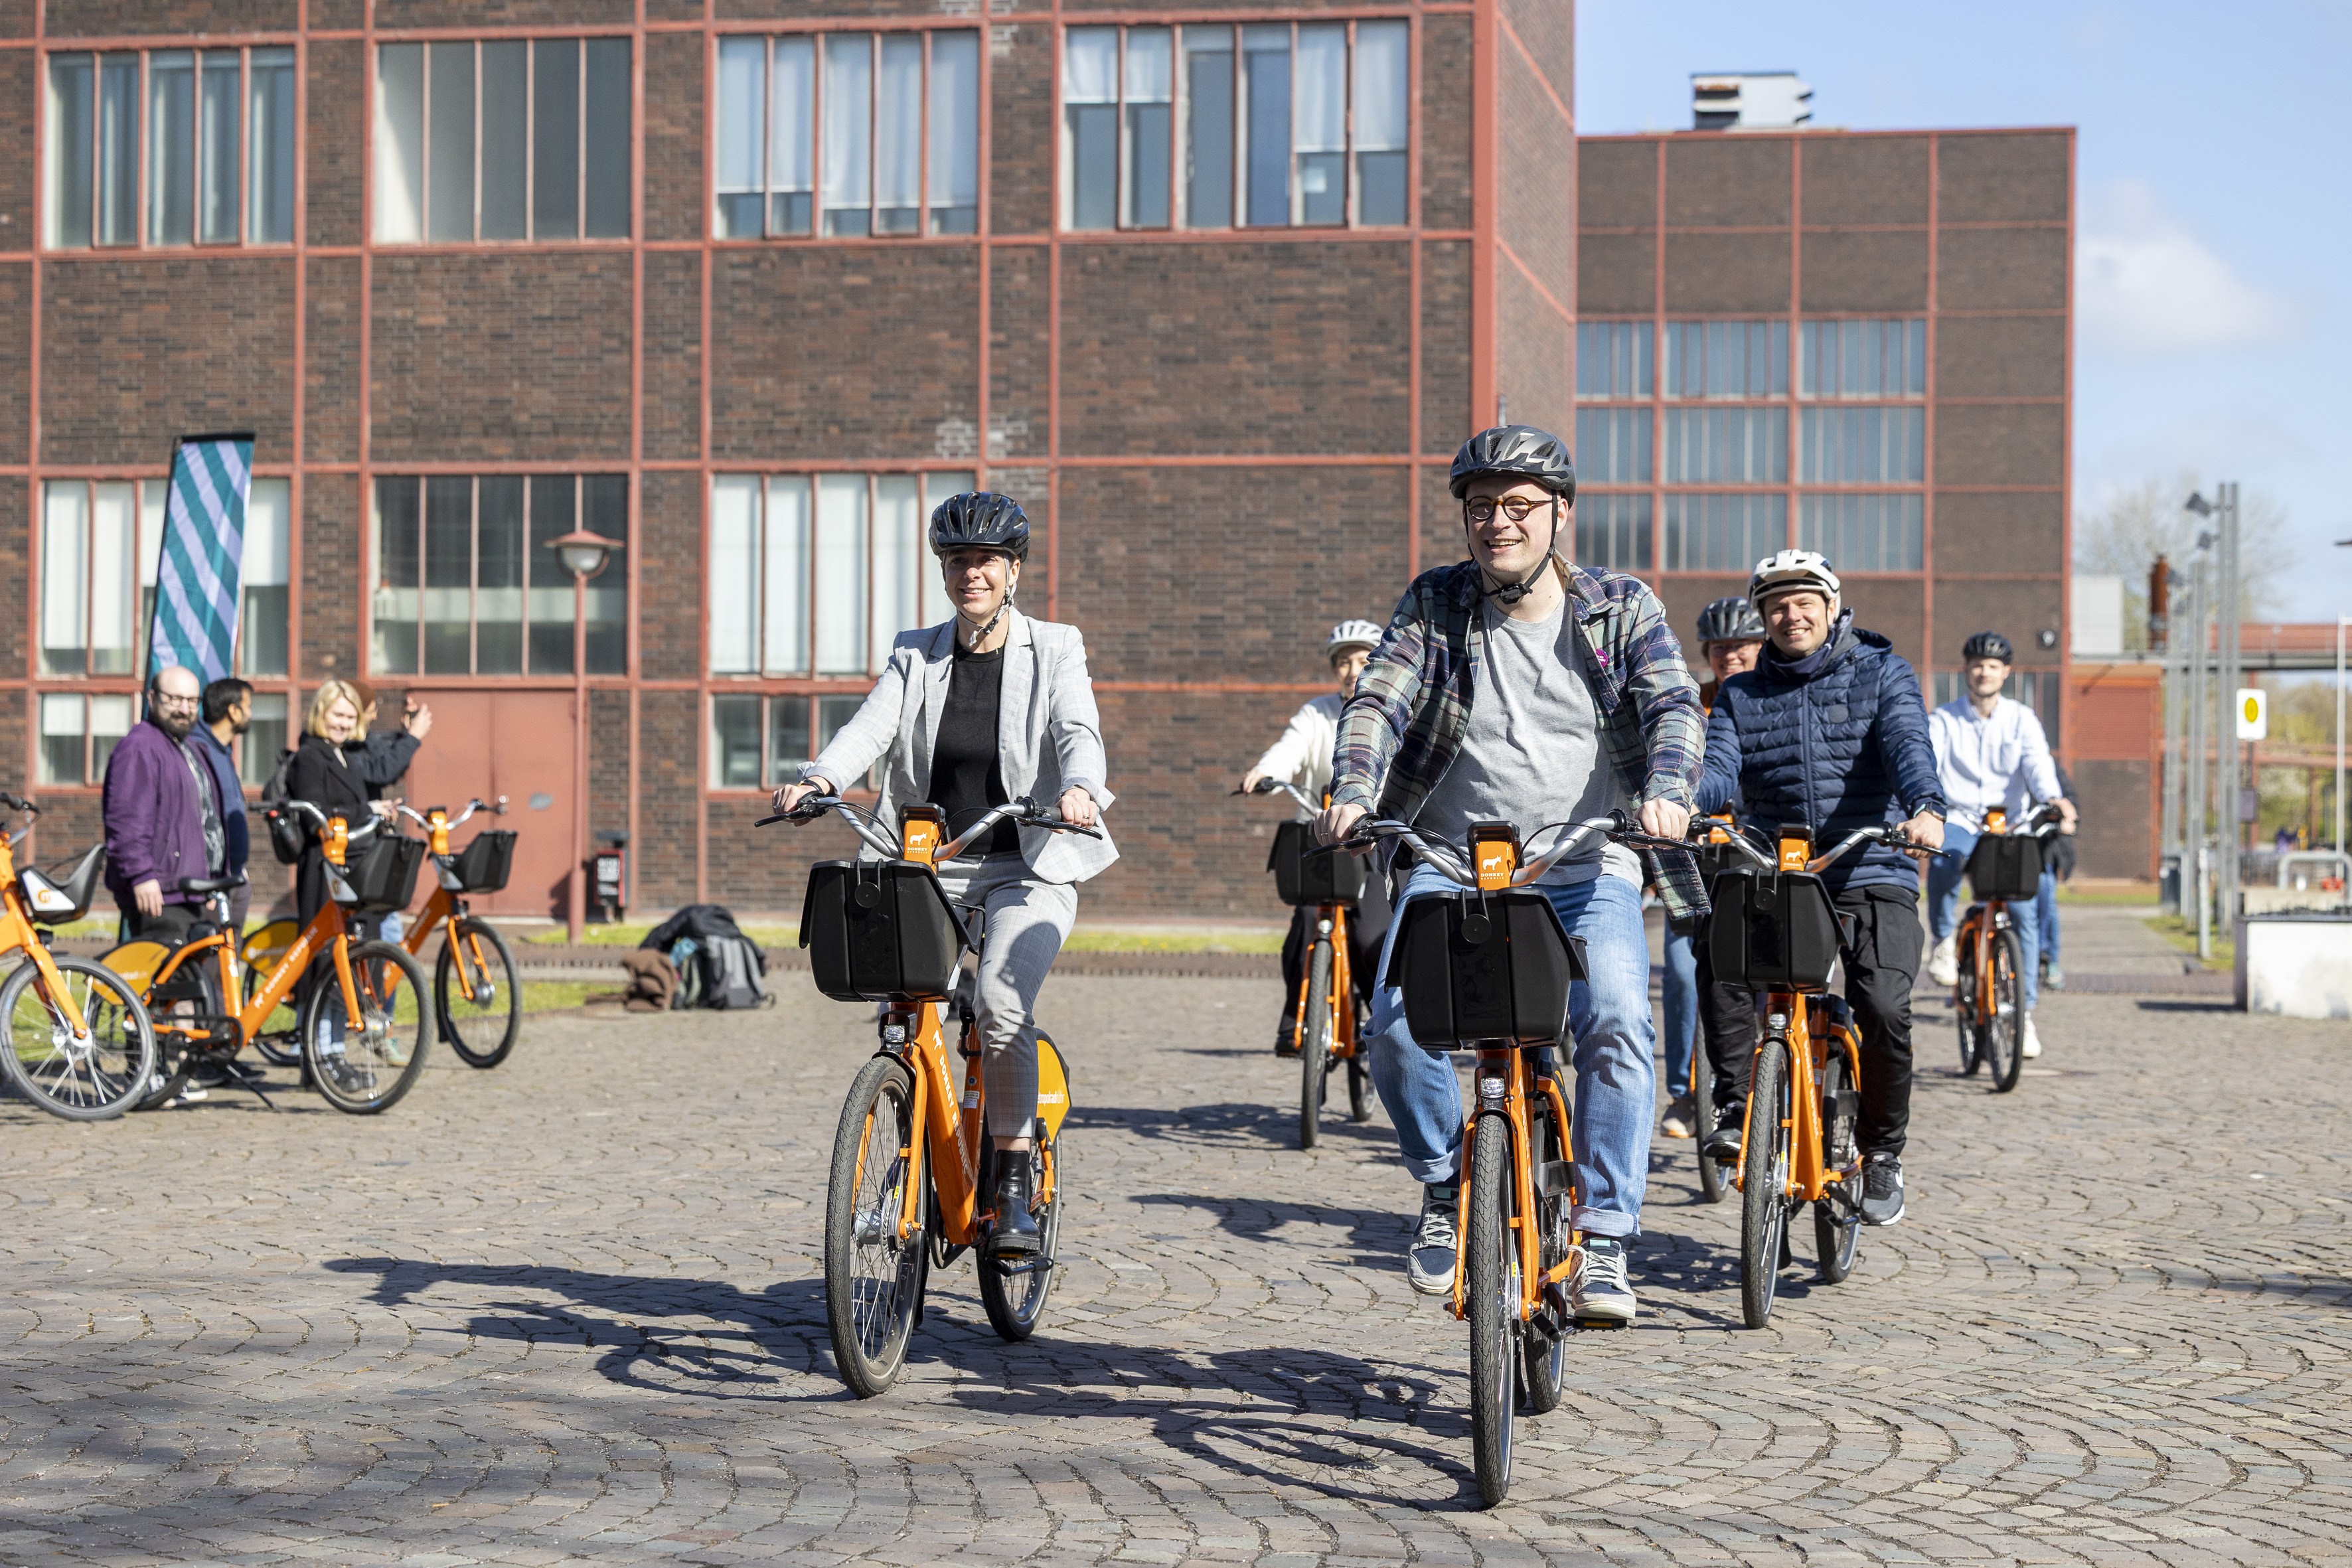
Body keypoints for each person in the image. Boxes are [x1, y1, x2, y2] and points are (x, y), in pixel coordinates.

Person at [1317, 425, 1703, 1323]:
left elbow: (1671, 702)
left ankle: (1603, 1237)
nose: (1498, 523)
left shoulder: (1615, 603)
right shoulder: (1433, 602)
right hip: (1453, 860)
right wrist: (1351, 787)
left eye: (1520, 506)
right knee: (1393, 1024)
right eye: (1480, 507)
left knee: (1612, 1013)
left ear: (1559, 514)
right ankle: (1446, 1186)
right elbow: (1379, 696)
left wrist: (1668, 792)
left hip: (1582, 859)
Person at [773, 493, 1116, 1260]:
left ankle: (1017, 1183)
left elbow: (1077, 728)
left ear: (1013, 570)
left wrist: (1081, 789)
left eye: (986, 561)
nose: (972, 574)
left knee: (998, 1001)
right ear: (944, 571)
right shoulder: (916, 652)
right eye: (958, 562)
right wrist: (822, 778)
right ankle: (913, 1123)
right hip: (932, 867)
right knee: (901, 1001)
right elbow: (871, 725)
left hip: (1026, 862)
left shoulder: (1056, 647)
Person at [1695, 550, 1944, 1228]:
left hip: (1870, 865)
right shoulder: (1743, 694)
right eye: (1775, 604)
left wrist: (1925, 808)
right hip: (1780, 868)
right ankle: (1735, 1103)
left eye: (1804, 600)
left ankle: (1882, 1152)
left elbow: (1906, 745)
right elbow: (1720, 766)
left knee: (1885, 1005)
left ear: (1832, 606)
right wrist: (1681, 800)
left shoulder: (1882, 671)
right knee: (1720, 955)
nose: (1790, 613)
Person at [1238, 618, 1391, 1057]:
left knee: (1370, 935)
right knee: (1303, 924)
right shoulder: (1317, 713)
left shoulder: (1395, 711)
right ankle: (1294, 1022)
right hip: (1324, 839)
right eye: (1342, 662)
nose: (1351, 669)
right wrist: (1268, 772)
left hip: (1375, 841)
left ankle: (1377, 1020)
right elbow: (1290, 747)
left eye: (1362, 659)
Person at [1922, 632, 2077, 1061]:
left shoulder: (2021, 718)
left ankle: (2022, 1014)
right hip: (1959, 818)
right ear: (1965, 669)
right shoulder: (1943, 719)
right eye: (1976, 664)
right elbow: (1926, 763)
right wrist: (1921, 809)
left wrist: (2053, 800)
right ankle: (1941, 939)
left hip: (2010, 824)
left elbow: (2037, 764)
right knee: (1946, 859)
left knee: (2026, 911)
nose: (1983, 671)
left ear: (2005, 673)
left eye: (1992, 666)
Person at [1656, 596, 1767, 1140]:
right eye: (1720, 647)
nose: (1730, 656)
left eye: (1741, 645)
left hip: (1754, 854)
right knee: (1680, 972)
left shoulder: (1768, 700)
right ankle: (1683, 1091)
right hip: (1696, 856)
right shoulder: (1691, 706)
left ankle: (1760, 1082)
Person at [101, 666, 228, 945]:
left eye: (192, 701)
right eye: (174, 699)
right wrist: (141, 875)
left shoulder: (190, 748)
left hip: (193, 892)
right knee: (171, 985)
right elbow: (126, 822)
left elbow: (205, 819)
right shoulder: (140, 748)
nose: (184, 709)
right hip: (161, 895)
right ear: (152, 698)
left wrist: (212, 879)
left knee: (197, 985)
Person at [195, 677, 254, 933]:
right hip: (214, 882)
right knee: (211, 967)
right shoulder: (199, 750)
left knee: (228, 966)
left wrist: (238, 867)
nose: (251, 713)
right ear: (234, 710)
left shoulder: (222, 751)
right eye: (248, 706)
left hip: (233, 876)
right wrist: (209, 878)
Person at [2037, 760, 2078, 990]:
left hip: (2043, 848)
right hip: (2007, 844)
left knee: (2046, 898)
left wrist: (2067, 818)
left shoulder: (2049, 766)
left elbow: (2069, 799)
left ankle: (2050, 958)